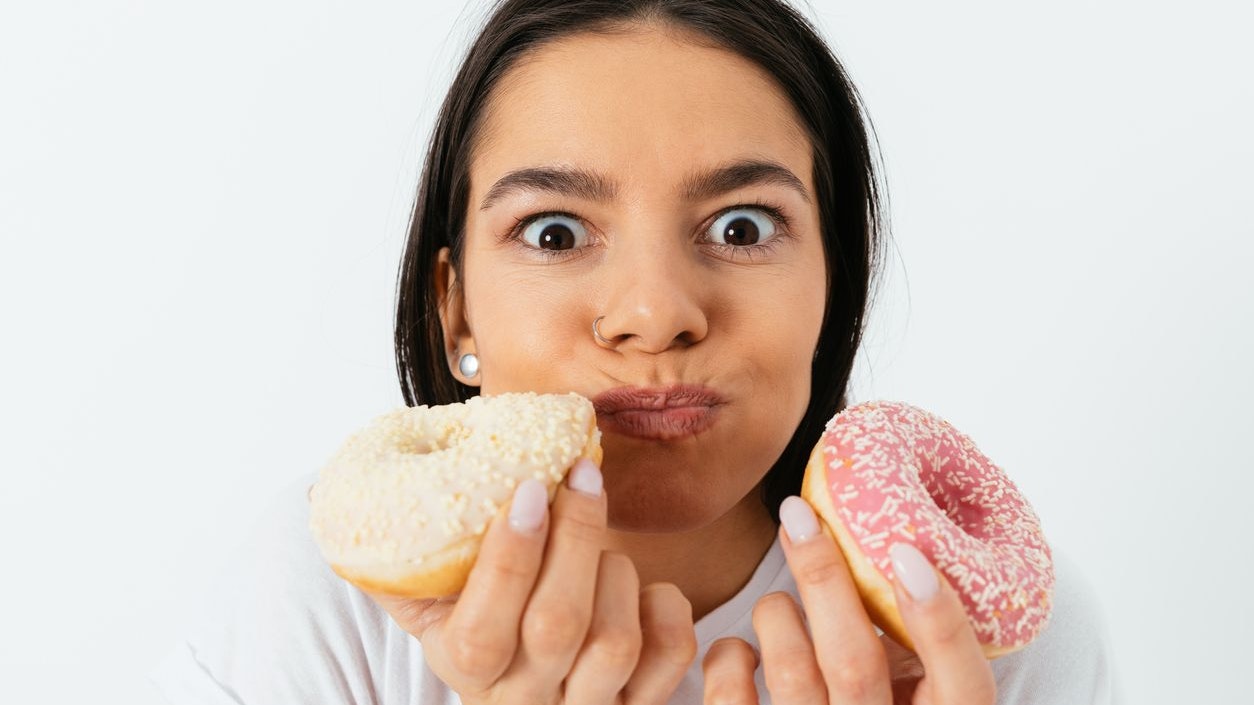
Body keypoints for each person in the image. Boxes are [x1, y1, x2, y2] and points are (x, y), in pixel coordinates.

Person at [150, 0, 1116, 702]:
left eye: (742, 228)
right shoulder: (325, 601)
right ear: (457, 314)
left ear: (834, 285)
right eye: (555, 233)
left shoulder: (987, 646)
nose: (654, 314)